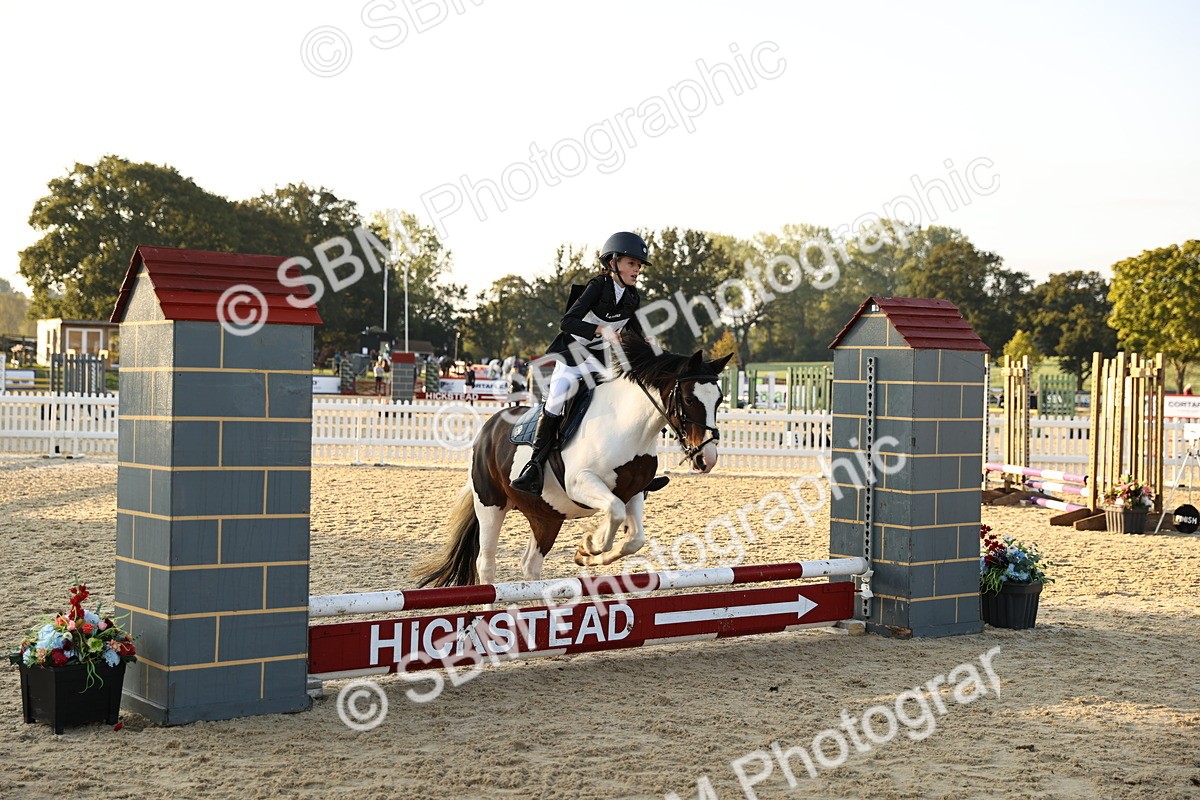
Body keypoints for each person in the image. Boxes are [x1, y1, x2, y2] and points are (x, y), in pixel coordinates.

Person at [511, 231, 650, 495]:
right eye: (632, 263)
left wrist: (647, 343)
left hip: (599, 361)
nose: (637, 270)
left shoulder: (632, 296)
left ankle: (634, 469)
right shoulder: (596, 286)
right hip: (573, 357)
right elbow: (567, 322)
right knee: (555, 401)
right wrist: (600, 329)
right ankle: (534, 466)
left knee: (621, 401)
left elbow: (635, 331)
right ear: (613, 263)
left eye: (639, 265)